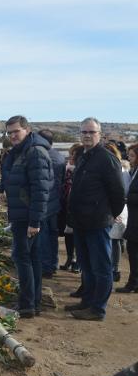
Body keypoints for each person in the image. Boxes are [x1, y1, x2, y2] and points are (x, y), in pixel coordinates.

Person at [65, 117, 125, 321]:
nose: (87, 136)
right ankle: (88, 301)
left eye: (92, 132)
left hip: (97, 222)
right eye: (84, 132)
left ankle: (98, 308)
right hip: (81, 222)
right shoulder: (84, 156)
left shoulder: (106, 159)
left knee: (101, 267)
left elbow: (118, 193)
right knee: (86, 264)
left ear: (100, 134)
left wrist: (110, 214)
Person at [2, 115, 54, 318]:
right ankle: (33, 302)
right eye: (10, 132)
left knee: (22, 258)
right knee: (32, 259)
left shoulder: (35, 153)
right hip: (23, 214)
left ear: (27, 130)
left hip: (27, 217)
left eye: (17, 131)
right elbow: (14, 177)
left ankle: (27, 305)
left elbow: (41, 190)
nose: (13, 135)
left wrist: (35, 221)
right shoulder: (22, 151)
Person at [38, 129, 66, 278]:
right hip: (56, 201)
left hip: (44, 202)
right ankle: (53, 263)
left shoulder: (41, 155)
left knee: (43, 235)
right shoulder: (60, 157)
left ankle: (46, 267)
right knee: (53, 234)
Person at [105, 143, 129, 282]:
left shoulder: (121, 170)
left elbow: (123, 192)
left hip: (117, 209)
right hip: (106, 209)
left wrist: (117, 211)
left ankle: (115, 268)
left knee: (115, 240)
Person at [117, 143, 138, 293]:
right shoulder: (135, 170)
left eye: (132, 156)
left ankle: (133, 283)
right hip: (134, 217)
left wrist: (127, 198)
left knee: (134, 251)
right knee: (132, 250)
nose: (129, 159)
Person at [59, 144, 83, 273]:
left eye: (74, 155)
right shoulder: (67, 169)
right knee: (68, 234)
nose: (71, 157)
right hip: (67, 205)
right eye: (71, 154)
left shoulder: (80, 170)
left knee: (78, 236)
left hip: (77, 207)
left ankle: (78, 262)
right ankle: (70, 259)